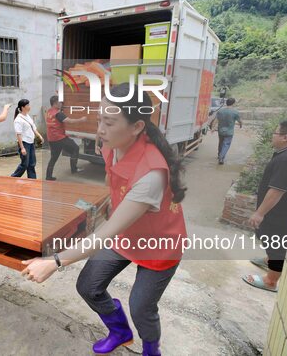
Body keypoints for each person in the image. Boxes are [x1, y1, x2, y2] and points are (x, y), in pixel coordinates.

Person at [22, 83, 187, 355]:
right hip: (127, 233)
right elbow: (113, 182)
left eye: (109, 123)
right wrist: (94, 208)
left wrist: (55, 260)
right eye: (99, 119)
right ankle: (120, 331)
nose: (100, 129)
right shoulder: (110, 143)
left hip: (160, 243)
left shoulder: (151, 175)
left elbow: (107, 232)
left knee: (141, 306)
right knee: (88, 285)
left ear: (136, 127)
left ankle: (150, 349)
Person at [243, 119, 287, 292]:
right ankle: (268, 260)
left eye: (275, 132)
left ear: (285, 137)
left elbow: (277, 190)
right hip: (283, 210)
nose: (273, 136)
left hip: (280, 212)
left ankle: (270, 281)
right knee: (273, 241)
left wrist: (259, 213)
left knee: (276, 243)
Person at [45, 95, 87, 181]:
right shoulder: (58, 113)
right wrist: (81, 119)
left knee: (53, 157)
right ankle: (74, 169)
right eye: (60, 102)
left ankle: (48, 176)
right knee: (75, 148)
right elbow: (70, 121)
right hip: (59, 138)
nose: (61, 104)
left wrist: (73, 135)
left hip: (51, 139)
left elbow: (56, 125)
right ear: (56, 103)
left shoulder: (48, 112)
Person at [11, 99, 44, 179]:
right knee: (25, 164)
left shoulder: (27, 116)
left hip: (30, 142)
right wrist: (22, 148)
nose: (29, 107)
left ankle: (32, 180)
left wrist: (39, 136)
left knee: (32, 163)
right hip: (24, 143)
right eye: (27, 105)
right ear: (22, 107)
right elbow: (18, 134)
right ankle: (13, 178)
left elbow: (33, 128)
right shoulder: (18, 120)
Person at [212, 98, 242, 164]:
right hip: (229, 132)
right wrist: (241, 125)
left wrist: (213, 127)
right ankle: (221, 158)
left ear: (226, 103)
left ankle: (219, 155)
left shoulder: (221, 111)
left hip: (221, 131)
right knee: (226, 144)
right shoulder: (235, 112)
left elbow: (216, 120)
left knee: (221, 143)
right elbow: (239, 121)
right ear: (233, 103)